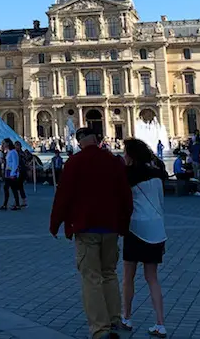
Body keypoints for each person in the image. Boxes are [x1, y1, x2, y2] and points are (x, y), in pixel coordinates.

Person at [50, 127, 133, 339]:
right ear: (97, 140)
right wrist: (123, 223)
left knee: (91, 278)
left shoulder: (75, 162)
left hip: (86, 227)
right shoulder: (114, 161)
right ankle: (115, 319)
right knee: (109, 273)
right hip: (111, 227)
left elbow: (63, 195)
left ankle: (100, 329)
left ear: (79, 142)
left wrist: (56, 223)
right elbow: (126, 195)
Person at [120, 139, 168, 338]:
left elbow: (124, 204)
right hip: (156, 229)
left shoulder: (128, 177)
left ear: (131, 156)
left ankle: (127, 317)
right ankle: (160, 323)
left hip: (136, 229)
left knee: (128, 277)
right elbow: (161, 203)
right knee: (152, 279)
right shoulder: (157, 176)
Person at [0, 139, 21, 211]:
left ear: (8, 143)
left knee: (13, 189)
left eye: (4, 143)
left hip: (12, 172)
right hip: (8, 172)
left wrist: (13, 173)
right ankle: (6, 204)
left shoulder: (13, 152)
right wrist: (1, 152)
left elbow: (15, 163)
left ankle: (15, 204)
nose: (3, 145)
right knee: (7, 188)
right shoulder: (8, 152)